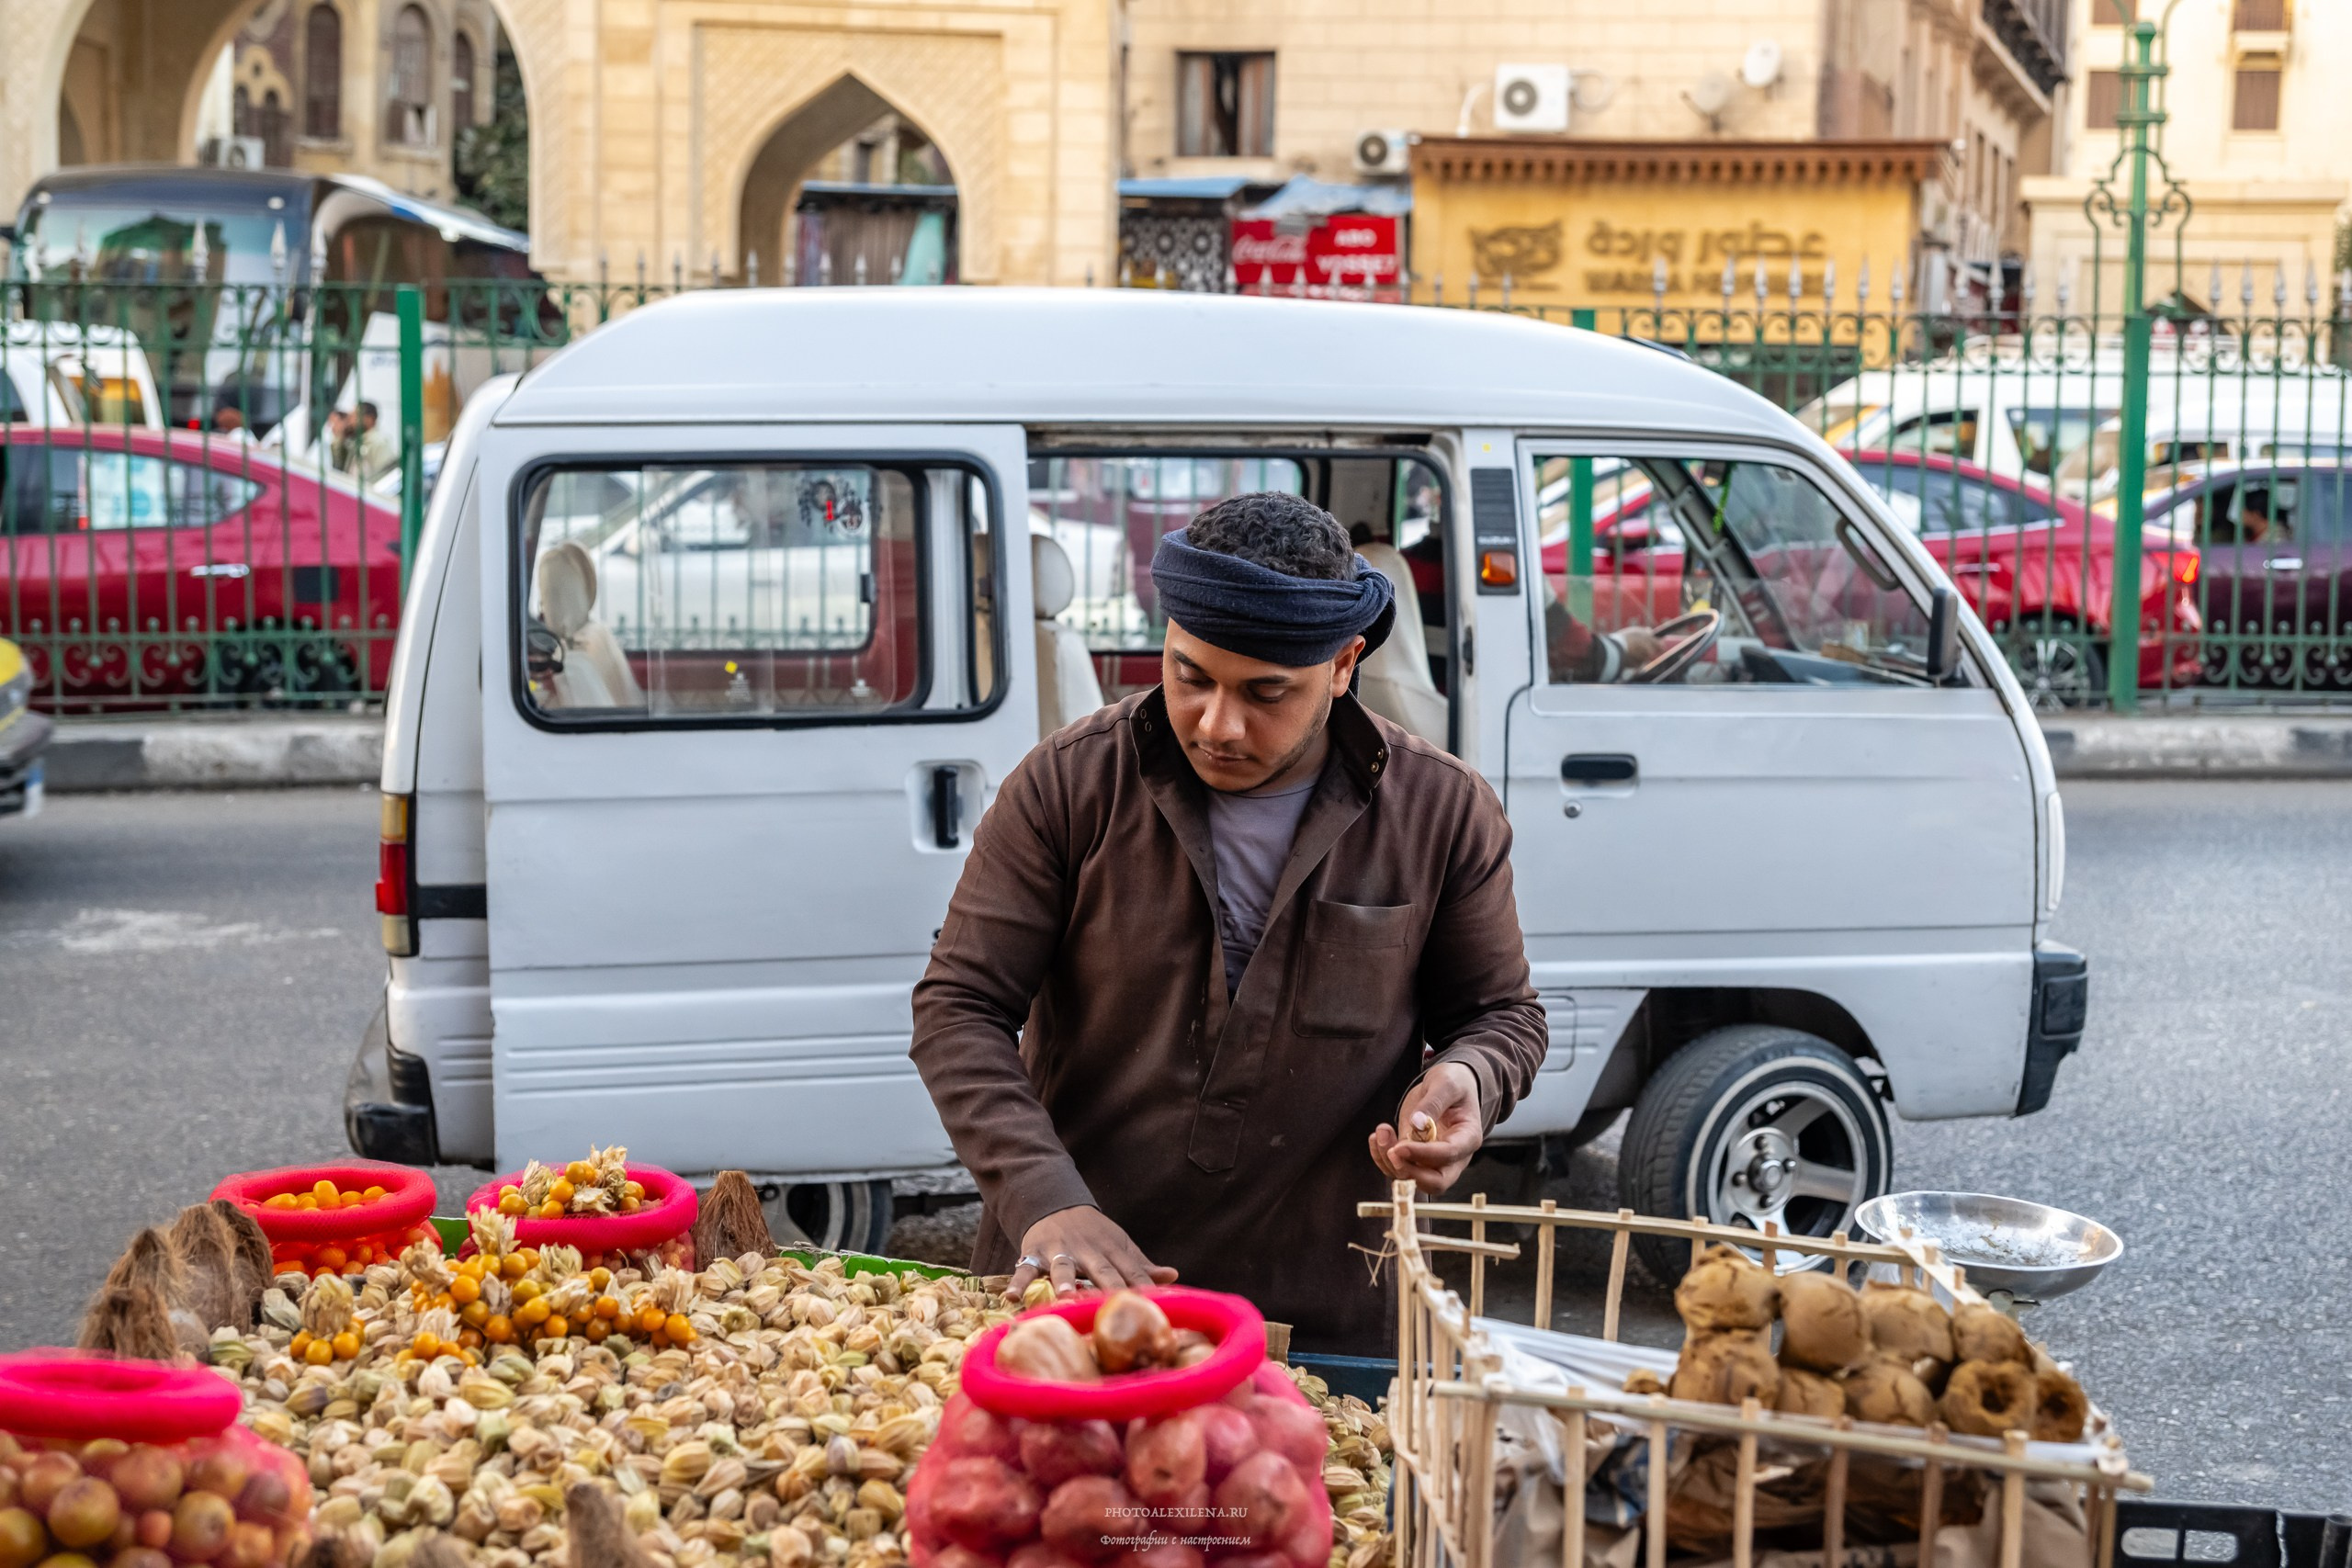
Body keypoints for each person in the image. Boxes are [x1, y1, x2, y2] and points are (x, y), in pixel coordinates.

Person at [910, 492, 1547, 1351]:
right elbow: (959, 1005)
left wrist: (1471, 1077)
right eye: (1190, 675)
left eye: (1265, 692)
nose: (1217, 723)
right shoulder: (1067, 786)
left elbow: (1502, 1016)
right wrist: (1044, 1198)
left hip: (1320, 1315)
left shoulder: (1443, 810)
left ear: (1344, 662)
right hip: (1070, 1300)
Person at [355, 401, 397, 484]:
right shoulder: (361, 441)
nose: (352, 420)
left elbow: (384, 476)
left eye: (356, 416)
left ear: (369, 419)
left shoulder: (379, 442)